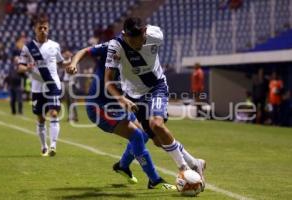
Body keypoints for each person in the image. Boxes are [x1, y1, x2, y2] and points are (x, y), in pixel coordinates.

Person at [104, 17, 206, 190]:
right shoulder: (116, 46)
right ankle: (195, 163)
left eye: (137, 39)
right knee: (159, 141)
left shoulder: (156, 35)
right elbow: (108, 80)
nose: (134, 43)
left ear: (144, 32)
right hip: (134, 96)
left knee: (156, 124)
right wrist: (120, 98)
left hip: (156, 87)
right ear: (124, 35)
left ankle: (184, 169)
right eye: (130, 39)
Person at [66, 43, 176, 190]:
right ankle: (154, 180)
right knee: (136, 135)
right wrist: (74, 63)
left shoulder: (139, 55)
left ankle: (123, 166)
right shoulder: (111, 47)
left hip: (119, 105)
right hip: (99, 106)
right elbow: (84, 50)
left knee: (144, 134)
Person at [18, 14, 70, 157]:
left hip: (53, 85)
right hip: (37, 88)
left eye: (45, 27)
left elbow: (61, 63)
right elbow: (20, 67)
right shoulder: (28, 48)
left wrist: (71, 63)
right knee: (40, 118)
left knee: (54, 113)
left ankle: (53, 145)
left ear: (48, 29)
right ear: (35, 29)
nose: (42, 30)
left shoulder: (55, 46)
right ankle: (43, 146)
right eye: (39, 27)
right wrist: (28, 67)